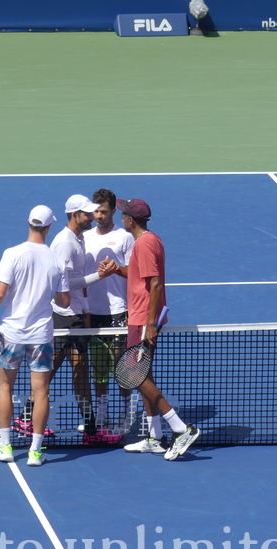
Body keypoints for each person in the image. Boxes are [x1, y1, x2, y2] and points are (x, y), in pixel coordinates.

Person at [108, 199, 199, 460]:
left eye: (123, 214)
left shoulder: (145, 244)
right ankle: (155, 437)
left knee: (134, 375)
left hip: (142, 319)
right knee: (143, 375)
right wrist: (116, 270)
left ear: (130, 221)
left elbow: (155, 284)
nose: (121, 217)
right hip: (140, 317)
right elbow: (140, 276)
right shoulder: (150, 240)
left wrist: (149, 324)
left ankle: (181, 429)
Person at [0, 205, 70, 467]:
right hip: (41, 336)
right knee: (41, 391)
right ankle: (35, 452)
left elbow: (0, 293)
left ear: (29, 224)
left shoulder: (12, 253)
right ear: (50, 226)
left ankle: (5, 446)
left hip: (12, 335)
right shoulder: (55, 260)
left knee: (5, 387)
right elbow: (64, 302)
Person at [48, 194, 117, 437]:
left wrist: (86, 310)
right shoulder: (64, 243)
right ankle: (27, 417)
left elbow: (79, 282)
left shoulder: (79, 238)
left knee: (80, 370)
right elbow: (63, 284)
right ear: (74, 215)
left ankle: (89, 426)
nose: (92, 217)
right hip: (63, 317)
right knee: (51, 369)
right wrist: (100, 276)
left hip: (76, 315)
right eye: (87, 213)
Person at [83, 189, 135, 430]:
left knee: (121, 366)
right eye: (96, 211)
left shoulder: (125, 237)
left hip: (118, 311)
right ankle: (102, 415)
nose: (99, 216)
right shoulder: (85, 238)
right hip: (92, 312)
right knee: (99, 367)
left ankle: (126, 414)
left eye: (104, 211)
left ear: (114, 211)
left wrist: (116, 269)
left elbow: (135, 273)